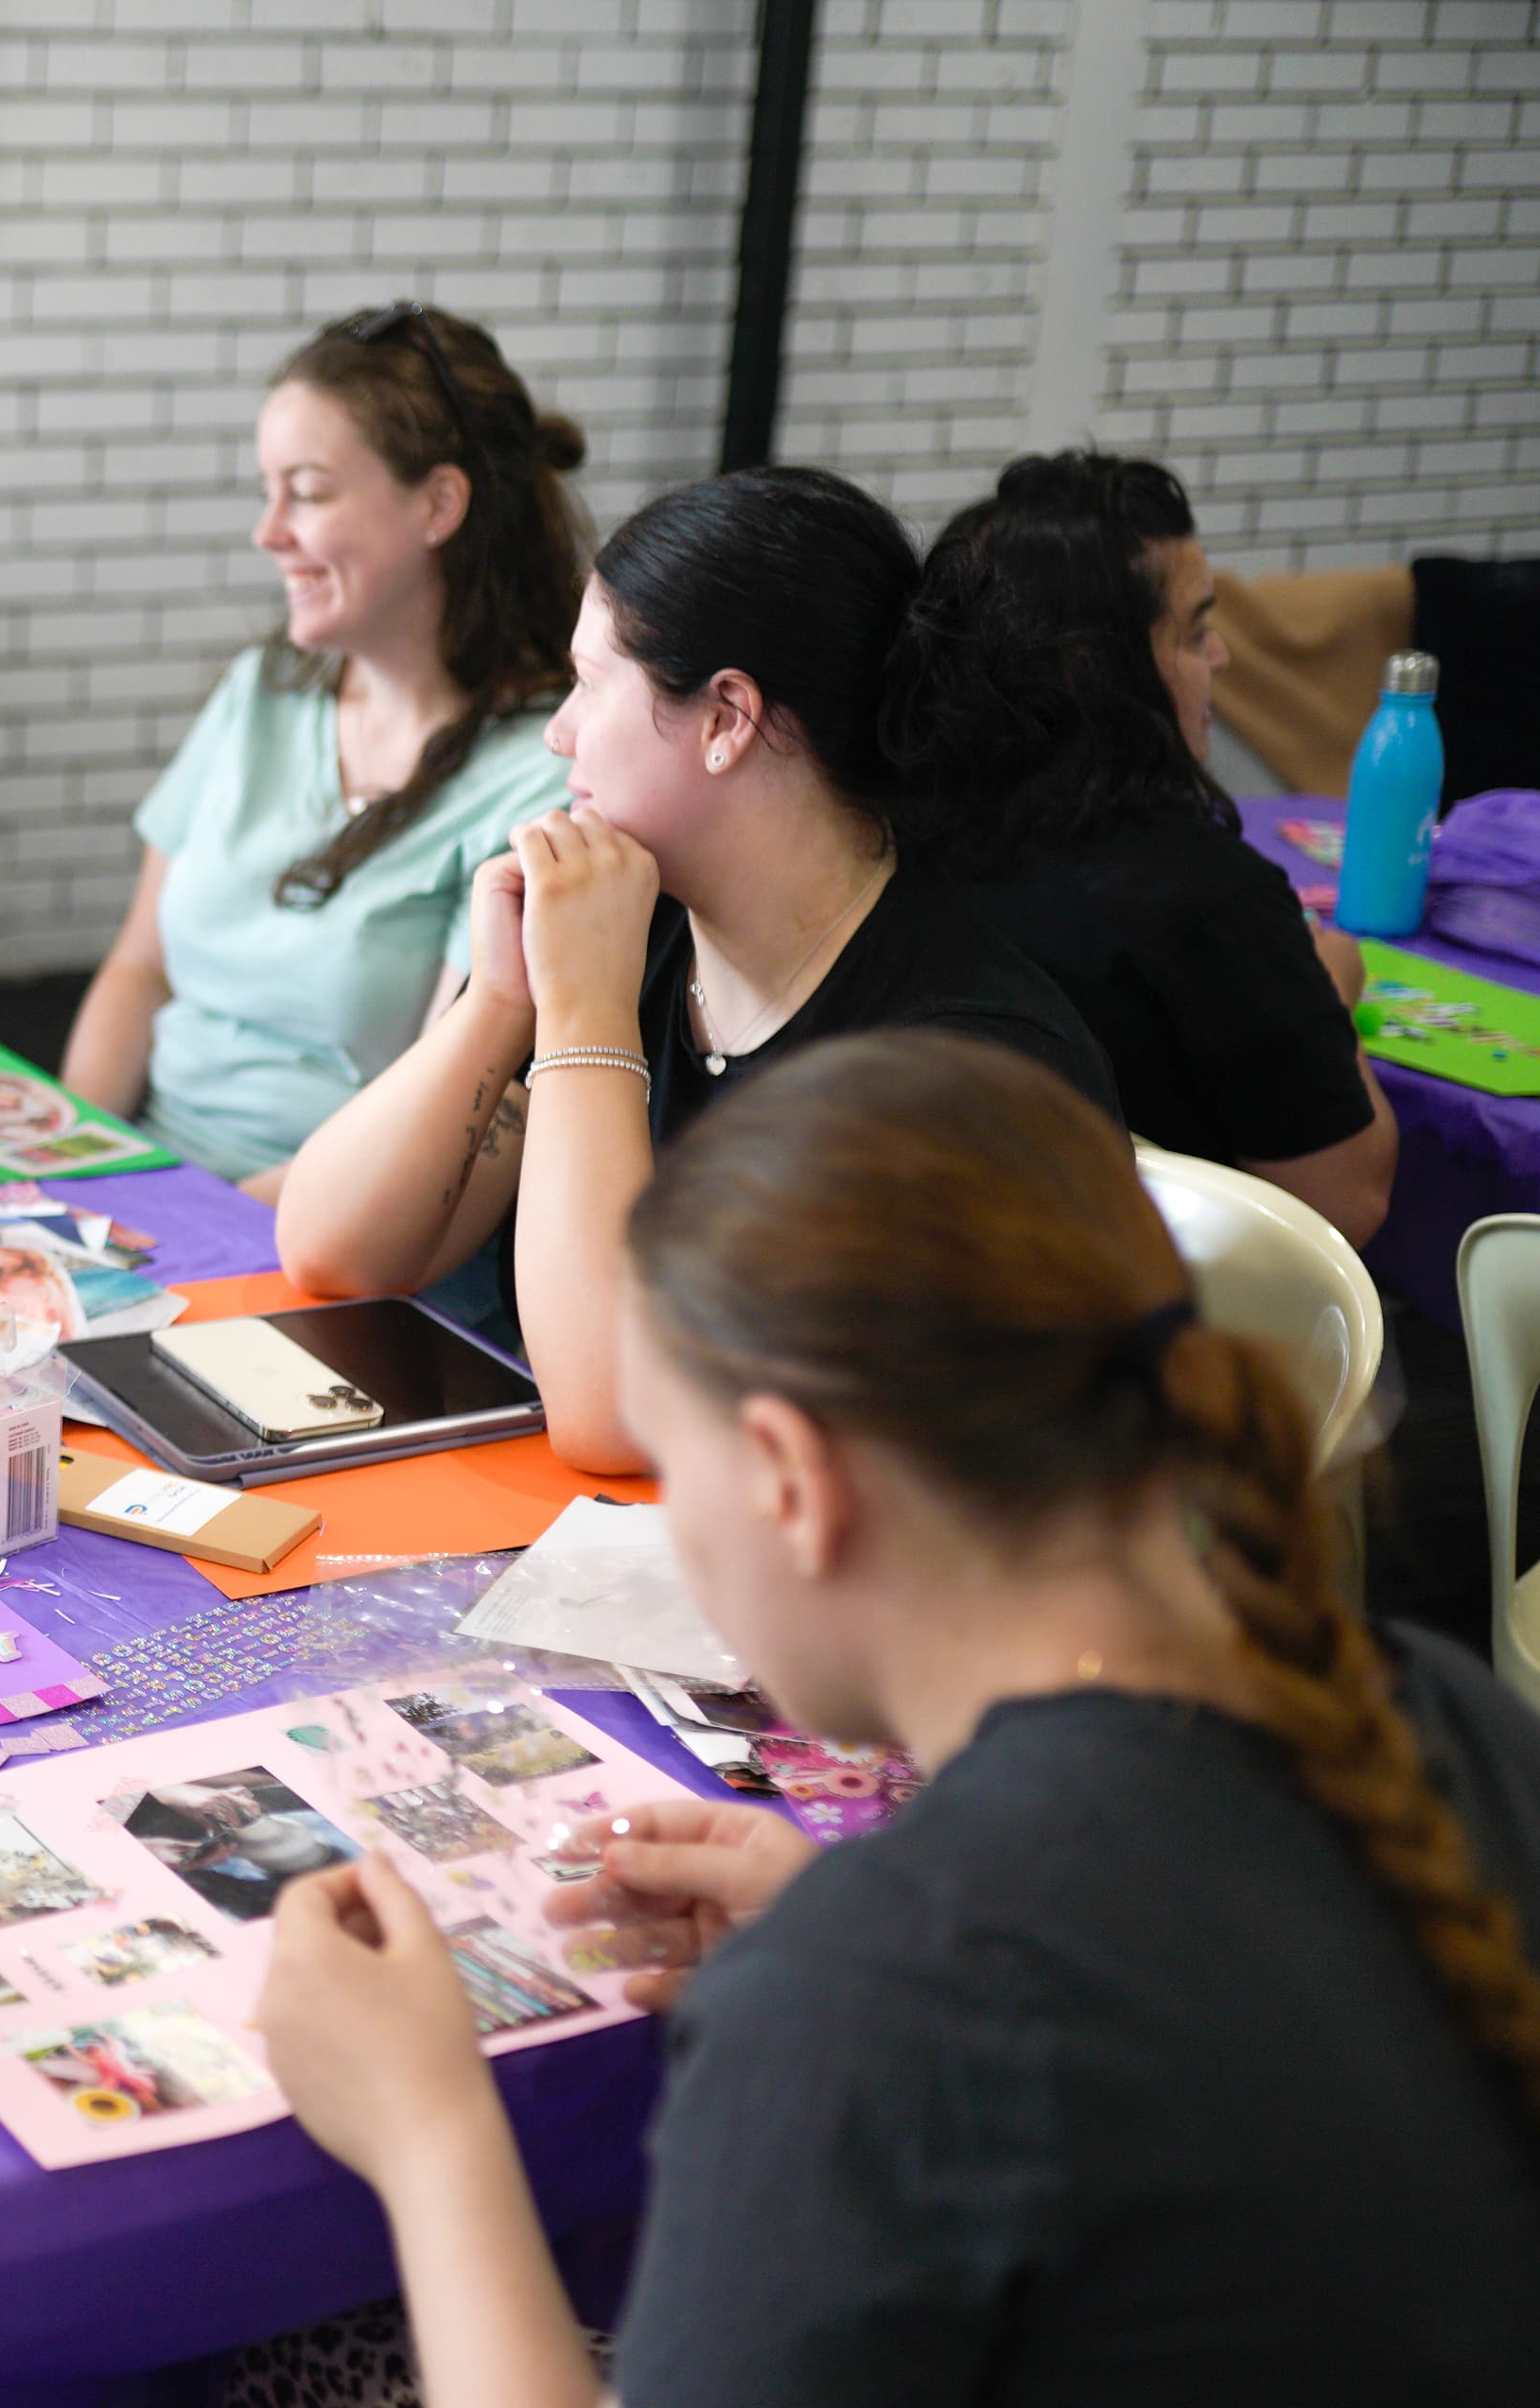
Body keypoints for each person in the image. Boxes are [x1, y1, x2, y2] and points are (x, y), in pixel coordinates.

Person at [248, 1031, 1540, 2407]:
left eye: (674, 1473)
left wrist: (431, 2135)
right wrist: (843, 1930)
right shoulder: (1438, 1705)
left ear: (793, 1483)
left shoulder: (876, 2002)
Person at [269, 467, 1117, 1471]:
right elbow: (333, 1250)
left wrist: (583, 1014)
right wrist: (502, 1002)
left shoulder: (960, 1062)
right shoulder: (638, 924)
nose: (559, 731)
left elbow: (616, 1414)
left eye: (590, 683)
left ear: (726, 719)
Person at [62, 305, 592, 1200]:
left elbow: (433, 1128)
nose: (267, 532)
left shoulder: (542, 782)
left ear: (438, 504)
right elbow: (138, 967)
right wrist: (65, 1167)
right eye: (267, 491)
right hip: (144, 1188)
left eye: (305, 493)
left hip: (323, 1234)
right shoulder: (261, 693)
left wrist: (189, 1227)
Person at [891, 450, 1397, 1241]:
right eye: (1196, 631)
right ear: (1099, 670)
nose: (1220, 656)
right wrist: (1329, 994)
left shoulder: (887, 831)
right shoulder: (1209, 899)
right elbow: (1344, 1204)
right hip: (1154, 1304)